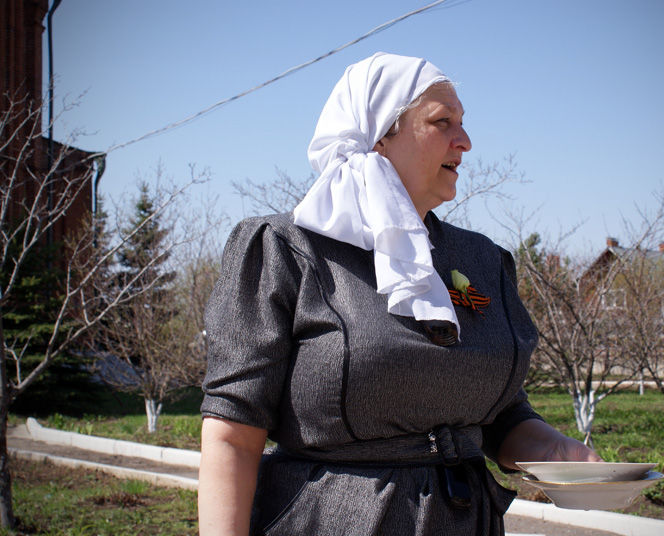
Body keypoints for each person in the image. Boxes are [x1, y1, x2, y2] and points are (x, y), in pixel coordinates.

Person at [198, 52, 600, 536]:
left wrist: (556, 451)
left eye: (463, 122)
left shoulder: (480, 260)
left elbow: (500, 412)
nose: (465, 140)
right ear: (378, 139)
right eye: (442, 122)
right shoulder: (287, 249)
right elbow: (233, 434)